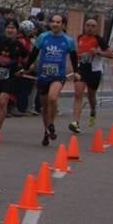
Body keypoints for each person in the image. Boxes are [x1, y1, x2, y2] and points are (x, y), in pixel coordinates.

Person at [23, 13, 76, 145]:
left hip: (58, 76)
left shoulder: (68, 40)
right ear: (50, 23)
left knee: (53, 98)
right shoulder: (43, 37)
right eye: (53, 22)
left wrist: (77, 72)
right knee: (44, 107)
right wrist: (25, 67)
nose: (55, 24)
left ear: (63, 25)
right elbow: (34, 54)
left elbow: (74, 58)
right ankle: (46, 131)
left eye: (58, 22)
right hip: (43, 75)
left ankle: (51, 124)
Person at [0, 20, 29, 143]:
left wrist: (24, 69)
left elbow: (28, 60)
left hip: (9, 76)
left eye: (13, 28)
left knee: (3, 102)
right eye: (8, 27)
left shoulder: (19, 45)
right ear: (5, 29)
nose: (10, 30)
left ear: (17, 30)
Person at [71, 16, 113, 131]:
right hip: (82, 69)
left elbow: (110, 54)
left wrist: (98, 52)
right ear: (84, 26)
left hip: (94, 71)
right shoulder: (79, 37)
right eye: (88, 25)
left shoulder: (99, 40)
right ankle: (75, 122)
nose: (90, 28)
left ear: (96, 28)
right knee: (78, 94)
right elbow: (79, 52)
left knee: (91, 96)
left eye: (93, 26)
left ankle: (93, 111)